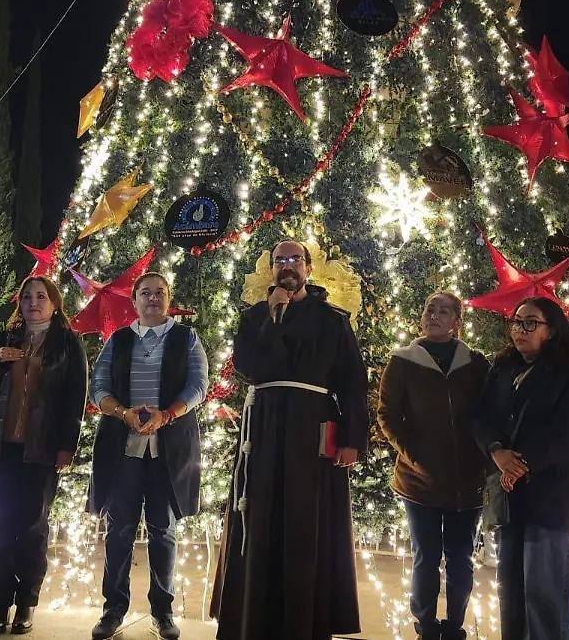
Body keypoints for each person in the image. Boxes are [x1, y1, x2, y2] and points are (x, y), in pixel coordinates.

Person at [210, 240, 368, 640]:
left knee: (305, 522)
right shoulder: (253, 317)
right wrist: (270, 318)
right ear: (271, 269)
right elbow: (247, 367)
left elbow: (351, 381)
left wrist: (351, 440)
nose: (287, 266)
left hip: (310, 430)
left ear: (309, 268)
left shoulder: (334, 319)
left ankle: (305, 625)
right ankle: (252, 622)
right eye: (279, 260)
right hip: (263, 428)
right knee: (258, 515)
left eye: (295, 259)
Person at [89, 272, 209, 640]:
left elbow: (198, 385)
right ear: (135, 301)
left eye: (159, 293)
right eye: (145, 293)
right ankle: (113, 609)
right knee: (119, 530)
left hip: (167, 451)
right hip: (123, 449)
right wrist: (123, 413)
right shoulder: (119, 339)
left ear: (168, 298)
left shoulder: (186, 338)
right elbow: (99, 385)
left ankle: (163, 610)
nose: (152, 299)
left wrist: (166, 415)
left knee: (163, 531)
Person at [0, 275, 88, 635]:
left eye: (41, 296)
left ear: (54, 303)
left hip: (42, 451)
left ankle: (26, 604)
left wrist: (67, 446)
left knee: (34, 528)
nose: (33, 302)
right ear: (19, 303)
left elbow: (75, 398)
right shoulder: (4, 339)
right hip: (3, 449)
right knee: (2, 528)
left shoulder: (68, 343)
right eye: (27, 296)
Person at [474, 298, 569, 640]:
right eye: (516, 322)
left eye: (530, 323)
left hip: (548, 496)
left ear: (552, 330)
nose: (520, 330)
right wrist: (497, 452)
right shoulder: (502, 368)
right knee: (510, 590)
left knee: (545, 592)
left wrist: (521, 463)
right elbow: (480, 417)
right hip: (509, 498)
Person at [377, 291, 490, 640]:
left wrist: (484, 458)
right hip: (419, 481)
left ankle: (455, 625)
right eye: (430, 309)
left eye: (444, 311)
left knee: (461, 558)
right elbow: (388, 416)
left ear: (457, 322)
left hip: (466, 481)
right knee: (426, 556)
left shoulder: (475, 363)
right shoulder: (403, 361)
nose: (434, 315)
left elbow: (489, 413)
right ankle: (425, 625)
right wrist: (416, 458)